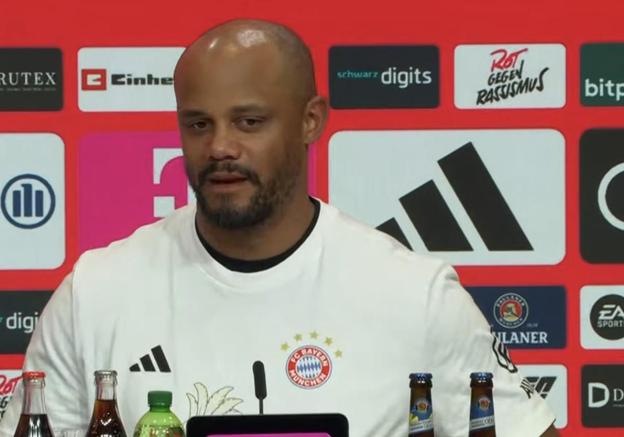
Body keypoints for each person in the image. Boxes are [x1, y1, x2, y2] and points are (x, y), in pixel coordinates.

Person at [0, 19, 559, 437]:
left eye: (249, 122)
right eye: (199, 124)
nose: (220, 147)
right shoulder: (95, 293)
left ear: (310, 121)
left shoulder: (418, 296)